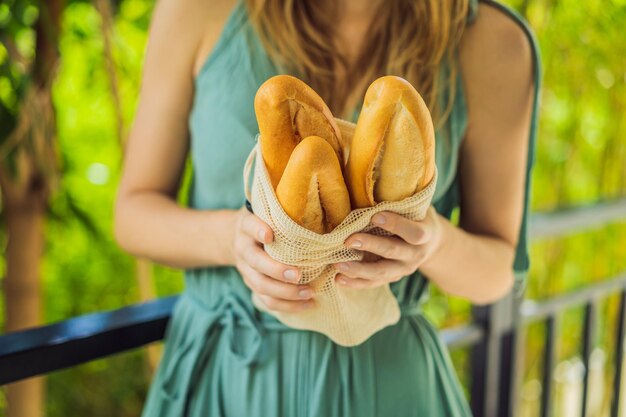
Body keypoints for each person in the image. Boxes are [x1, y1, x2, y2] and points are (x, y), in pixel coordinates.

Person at [114, 0, 540, 415]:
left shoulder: (494, 41)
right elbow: (133, 214)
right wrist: (230, 239)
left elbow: (498, 272)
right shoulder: (196, 9)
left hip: (389, 387)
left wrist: (434, 243)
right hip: (224, 377)